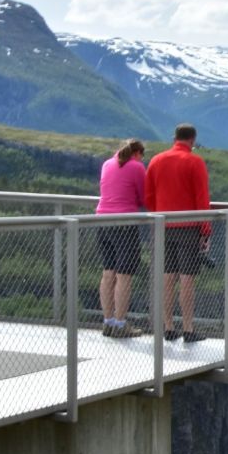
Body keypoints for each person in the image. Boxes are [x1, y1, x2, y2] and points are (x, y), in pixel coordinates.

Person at [144, 123, 211, 343]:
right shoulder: (195, 162)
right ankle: (189, 329)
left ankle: (168, 327)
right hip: (189, 227)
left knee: (167, 278)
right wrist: (205, 230)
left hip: (163, 226)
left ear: (174, 138)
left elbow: (149, 197)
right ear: (192, 140)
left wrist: (158, 216)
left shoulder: (156, 161)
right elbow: (202, 199)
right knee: (187, 280)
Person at [95, 138, 146, 337]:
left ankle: (107, 321)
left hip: (102, 221)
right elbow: (143, 197)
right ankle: (120, 323)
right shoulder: (136, 167)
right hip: (125, 223)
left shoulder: (107, 164)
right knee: (124, 275)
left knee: (108, 272)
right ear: (138, 153)